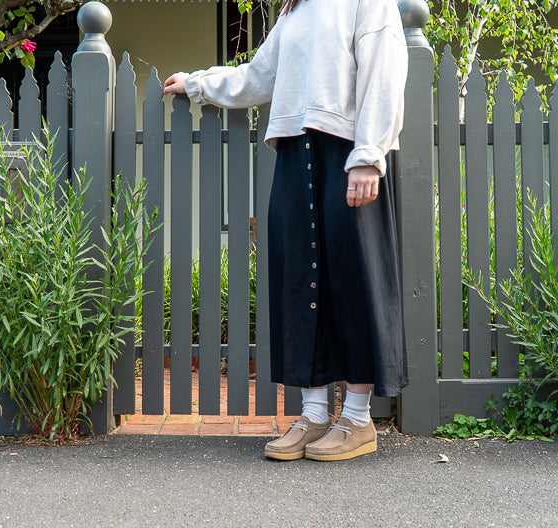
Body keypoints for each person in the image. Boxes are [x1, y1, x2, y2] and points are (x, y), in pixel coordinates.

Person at [163, 0, 408, 461]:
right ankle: (314, 414)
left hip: (349, 152)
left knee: (353, 280)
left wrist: (369, 155)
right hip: (297, 152)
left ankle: (357, 420)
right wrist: (198, 83)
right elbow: (259, 75)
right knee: (299, 279)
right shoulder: (292, 11)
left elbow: (385, 72)